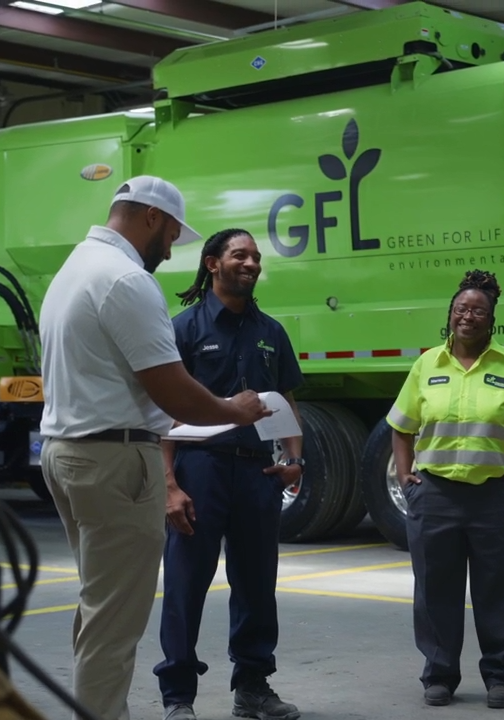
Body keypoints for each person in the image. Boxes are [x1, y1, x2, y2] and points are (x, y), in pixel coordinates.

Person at [38, 176, 272, 720]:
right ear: (150, 217)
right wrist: (233, 410)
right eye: (170, 235)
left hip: (69, 452)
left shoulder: (75, 268)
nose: (170, 251)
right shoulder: (124, 279)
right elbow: (173, 392)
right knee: (116, 618)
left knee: (101, 608)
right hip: (113, 460)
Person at [386, 270, 504, 709]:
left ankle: (502, 677)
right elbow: (401, 429)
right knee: (434, 591)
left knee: (497, 592)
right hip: (437, 496)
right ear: (450, 316)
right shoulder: (427, 365)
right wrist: (407, 479)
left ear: (491, 319)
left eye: (478, 310)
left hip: (496, 498)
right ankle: (439, 675)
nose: (468, 316)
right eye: (461, 309)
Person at [154, 228, 305, 720]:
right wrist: (170, 485)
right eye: (240, 254)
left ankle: (254, 688)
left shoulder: (271, 332)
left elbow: (286, 400)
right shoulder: (184, 328)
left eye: (256, 256)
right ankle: (178, 696)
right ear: (212, 263)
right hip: (200, 469)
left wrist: (293, 458)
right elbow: (162, 410)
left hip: (258, 472)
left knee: (258, 583)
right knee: (185, 582)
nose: (251, 263)